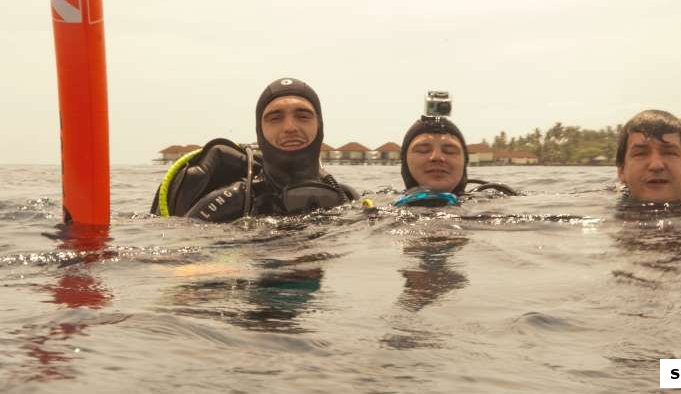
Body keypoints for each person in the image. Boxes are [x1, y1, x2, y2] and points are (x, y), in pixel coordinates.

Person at [151, 78, 357, 221]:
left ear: (319, 126)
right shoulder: (235, 200)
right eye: (275, 118)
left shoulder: (346, 197)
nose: (290, 127)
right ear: (260, 131)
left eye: (303, 116)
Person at [394, 115, 516, 206]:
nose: (437, 157)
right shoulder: (382, 202)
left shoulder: (493, 203)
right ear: (405, 161)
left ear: (464, 162)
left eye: (450, 151)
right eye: (422, 150)